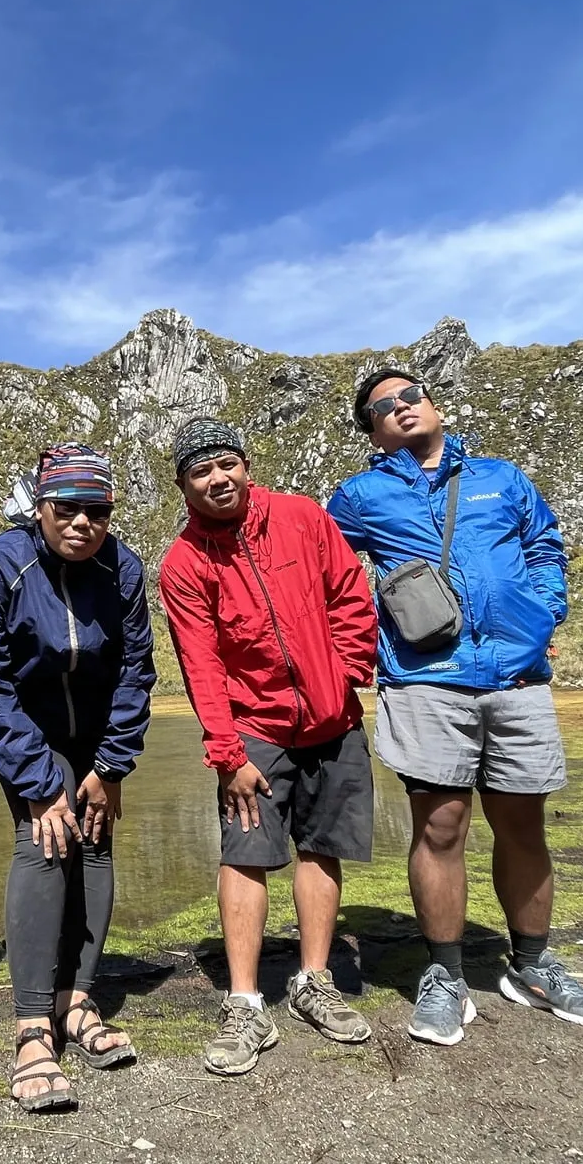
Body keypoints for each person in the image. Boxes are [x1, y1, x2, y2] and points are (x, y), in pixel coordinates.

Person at [326, 368, 583, 1047]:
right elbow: (328, 571)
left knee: (523, 824)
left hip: (516, 677)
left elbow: (545, 544)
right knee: (441, 829)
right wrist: (372, 635)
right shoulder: (361, 495)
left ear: (434, 404)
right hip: (426, 681)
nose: (400, 409)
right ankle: (446, 976)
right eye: (382, 408)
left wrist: (544, 610)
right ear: (370, 429)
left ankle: (534, 964)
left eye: (409, 397)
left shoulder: (501, 478)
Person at [156, 418, 381, 1077]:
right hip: (253, 729)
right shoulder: (184, 564)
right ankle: (246, 1001)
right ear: (184, 486)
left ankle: (314, 980)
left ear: (246, 466)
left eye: (225, 463)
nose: (217, 478)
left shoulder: (302, 518)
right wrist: (227, 752)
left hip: (332, 718)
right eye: (201, 471)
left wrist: (344, 674)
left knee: (322, 845)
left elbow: (349, 596)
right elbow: (201, 664)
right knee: (246, 852)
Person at [0, 445, 156, 1112]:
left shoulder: (122, 568)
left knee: (95, 841)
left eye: (96, 510)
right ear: (39, 509)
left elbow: (134, 671)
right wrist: (40, 780)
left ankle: (77, 999)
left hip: (96, 732)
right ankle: (31, 1028)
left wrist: (111, 764)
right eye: (65, 508)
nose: (81, 523)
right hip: (29, 730)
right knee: (44, 840)